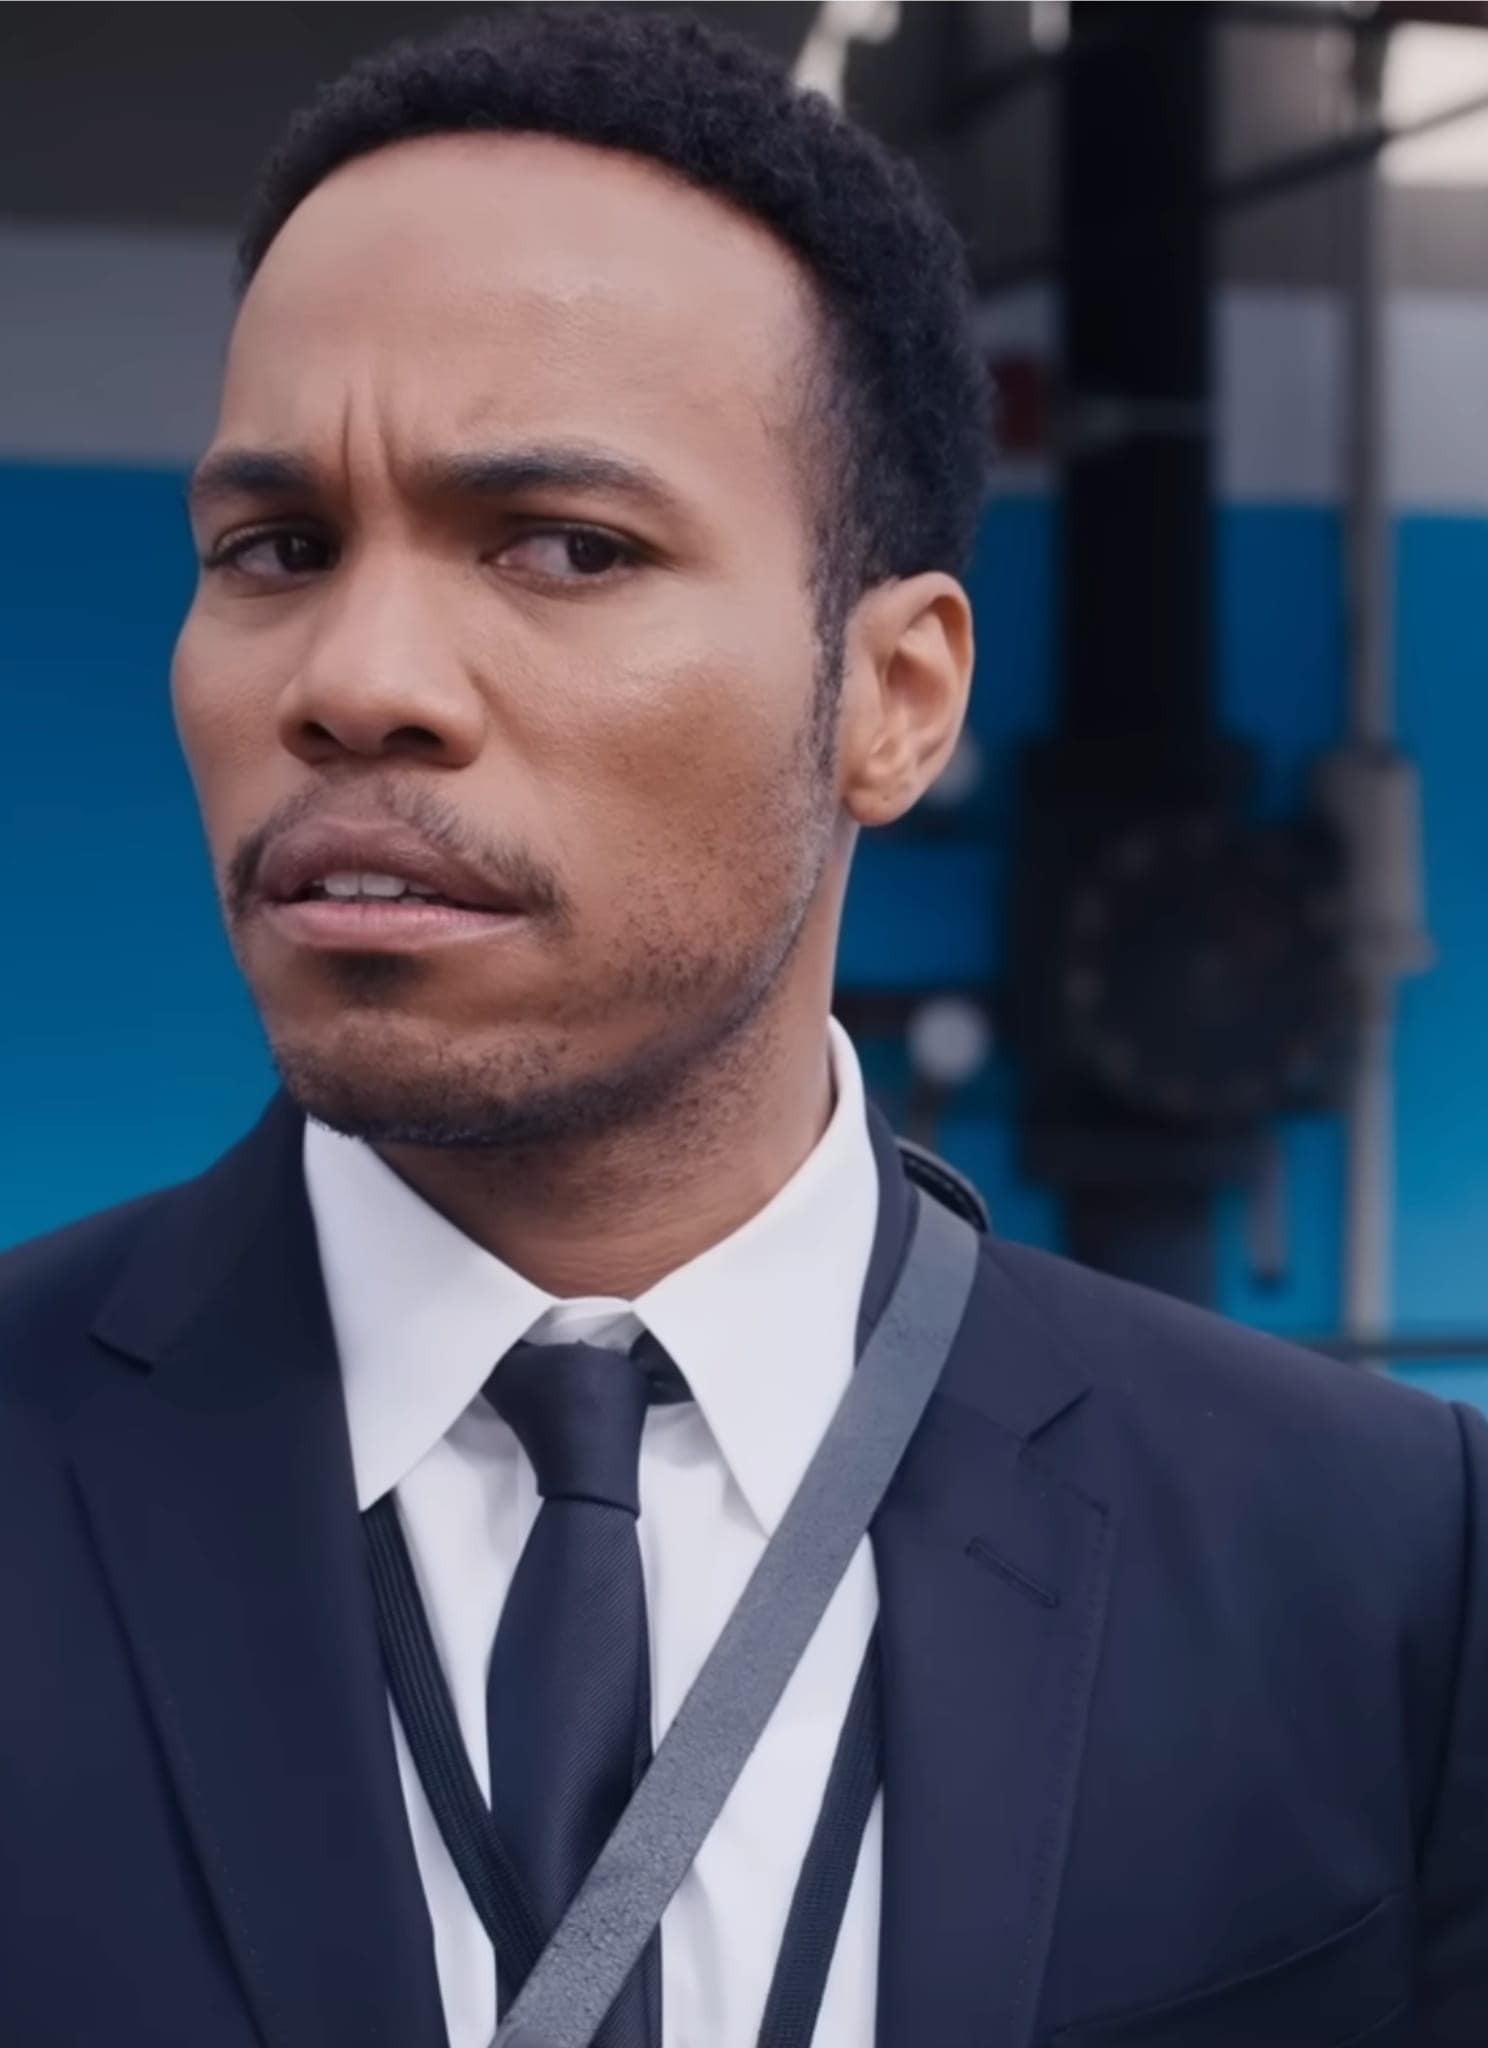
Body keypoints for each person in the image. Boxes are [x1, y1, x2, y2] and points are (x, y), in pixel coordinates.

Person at [1, 9, 1483, 2046]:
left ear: (896, 695)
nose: (352, 678)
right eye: (276, 549)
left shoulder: (1379, 1564)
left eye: (562, 547)